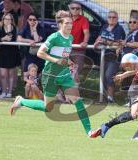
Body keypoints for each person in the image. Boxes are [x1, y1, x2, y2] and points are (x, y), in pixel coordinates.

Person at [9, 10, 101, 138]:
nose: (70, 25)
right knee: (48, 108)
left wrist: (69, 63)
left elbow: (63, 56)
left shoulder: (70, 38)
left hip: (64, 75)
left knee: (77, 101)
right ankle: (22, 101)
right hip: (50, 75)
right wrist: (56, 60)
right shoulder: (54, 37)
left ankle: (89, 131)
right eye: (67, 23)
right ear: (60, 24)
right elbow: (40, 53)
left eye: (71, 22)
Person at [94, 10, 125, 103]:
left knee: (109, 76)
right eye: (110, 17)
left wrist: (105, 42)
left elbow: (118, 44)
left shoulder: (119, 29)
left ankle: (110, 98)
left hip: (114, 57)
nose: (111, 19)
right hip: (103, 56)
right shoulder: (104, 27)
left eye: (114, 17)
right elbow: (99, 39)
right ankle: (104, 98)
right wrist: (97, 43)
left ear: (117, 19)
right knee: (103, 77)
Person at [0, 13, 20, 99]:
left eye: (9, 19)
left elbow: (10, 38)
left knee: (11, 74)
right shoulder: (0, 28)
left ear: (12, 21)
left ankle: (9, 92)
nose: (7, 21)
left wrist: (8, 31)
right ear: (3, 19)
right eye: (5, 19)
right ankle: (3, 92)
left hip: (12, 53)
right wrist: (2, 39)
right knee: (3, 74)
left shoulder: (14, 29)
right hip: (2, 53)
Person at [69, 1, 89, 83]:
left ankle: (74, 94)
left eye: (77, 8)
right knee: (63, 72)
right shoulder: (66, 19)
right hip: (66, 49)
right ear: (70, 9)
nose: (75, 10)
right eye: (73, 8)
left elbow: (86, 33)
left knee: (76, 72)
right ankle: (61, 94)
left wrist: (85, 41)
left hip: (78, 50)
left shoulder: (83, 20)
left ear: (80, 10)